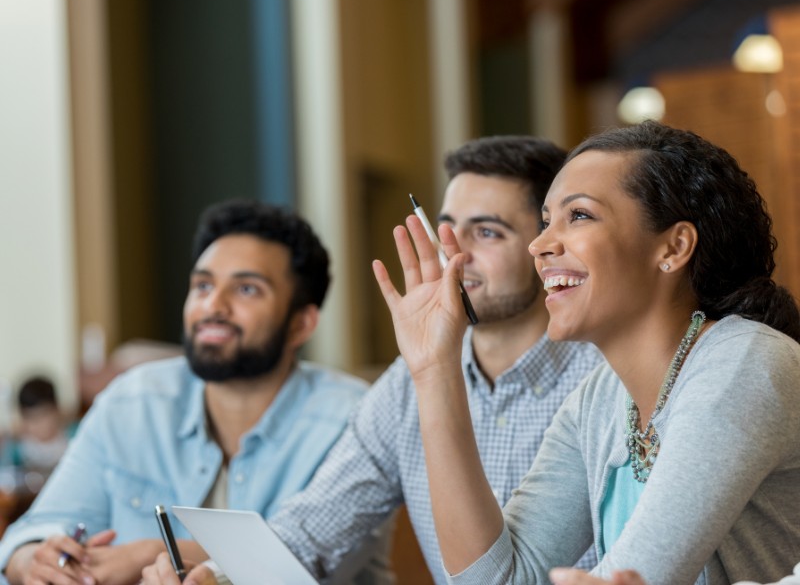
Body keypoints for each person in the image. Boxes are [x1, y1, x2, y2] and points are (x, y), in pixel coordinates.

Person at [143, 135, 604, 585]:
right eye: (443, 227)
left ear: (547, 243)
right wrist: (215, 577)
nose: (453, 253)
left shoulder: (603, 379)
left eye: (487, 232)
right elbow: (311, 533)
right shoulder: (407, 382)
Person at [371, 121, 800, 584]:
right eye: (544, 221)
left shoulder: (744, 364)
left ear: (674, 247)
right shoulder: (597, 401)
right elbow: (498, 580)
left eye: (578, 215)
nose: (539, 245)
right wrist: (435, 369)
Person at [0, 200, 368, 585]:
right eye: (203, 285)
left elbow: (309, 561)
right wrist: (36, 563)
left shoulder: (350, 419)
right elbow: (32, 534)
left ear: (301, 324)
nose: (213, 305)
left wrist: (151, 552)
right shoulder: (133, 401)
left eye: (246, 288)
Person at [3, 376, 75, 474]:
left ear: (56, 410)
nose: (37, 425)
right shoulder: (16, 450)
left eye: (43, 415)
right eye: (30, 417)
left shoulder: (75, 438)